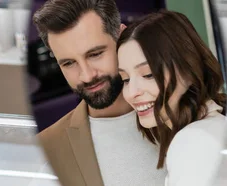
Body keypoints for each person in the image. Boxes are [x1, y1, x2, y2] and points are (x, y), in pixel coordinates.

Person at [32, 0, 167, 185]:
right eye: (69, 63)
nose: (87, 76)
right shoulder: (46, 150)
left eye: (95, 54)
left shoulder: (183, 108)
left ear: (122, 37)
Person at [116, 10, 227, 186]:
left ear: (188, 70)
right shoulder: (211, 129)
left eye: (148, 75)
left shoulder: (194, 141)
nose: (132, 92)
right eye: (125, 79)